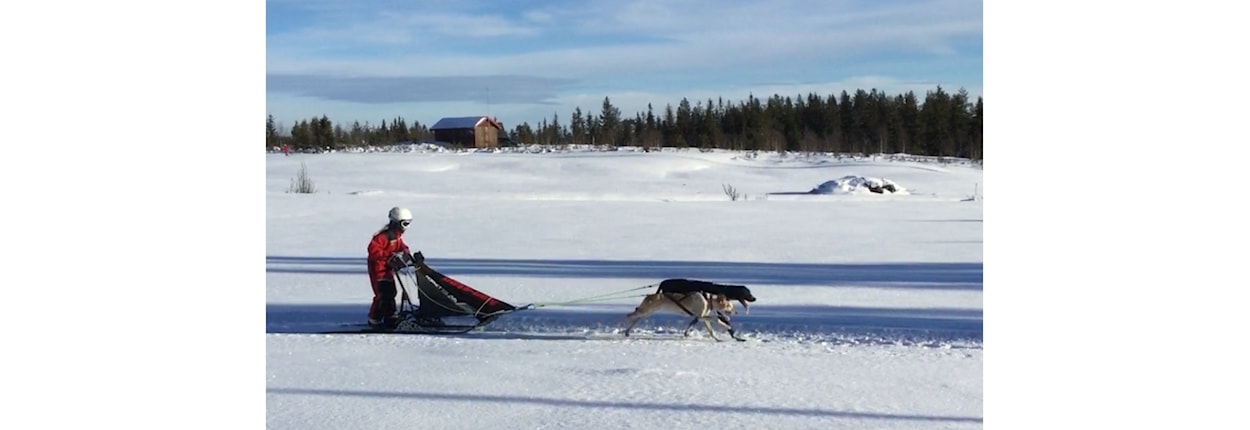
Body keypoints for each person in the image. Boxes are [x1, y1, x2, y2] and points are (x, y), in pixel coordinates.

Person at [366, 206, 423, 328]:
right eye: (405, 224)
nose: (406, 228)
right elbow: (373, 251)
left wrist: (406, 254)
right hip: (378, 271)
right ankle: (374, 318)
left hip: (388, 270)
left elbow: (402, 247)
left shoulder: (396, 237)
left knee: (392, 292)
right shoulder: (382, 237)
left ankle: (390, 315)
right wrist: (389, 256)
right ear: (396, 222)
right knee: (382, 294)